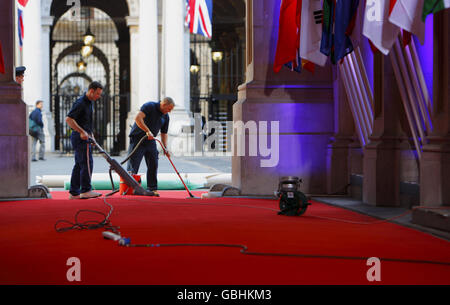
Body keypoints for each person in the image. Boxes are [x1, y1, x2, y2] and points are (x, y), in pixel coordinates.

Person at [127, 97, 175, 193]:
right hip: (138, 139)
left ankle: (152, 188)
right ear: (164, 104)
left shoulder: (165, 117)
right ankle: (129, 188)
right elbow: (138, 118)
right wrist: (147, 131)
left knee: (153, 163)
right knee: (133, 165)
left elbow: (164, 133)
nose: (169, 111)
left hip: (150, 140)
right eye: (169, 109)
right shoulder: (150, 106)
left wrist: (165, 148)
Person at [65, 81, 103, 200]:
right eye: (97, 93)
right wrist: (82, 131)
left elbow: (85, 122)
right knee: (87, 163)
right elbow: (69, 119)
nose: (99, 96)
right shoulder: (81, 103)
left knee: (79, 165)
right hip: (80, 138)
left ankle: (74, 192)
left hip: (85, 136)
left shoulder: (89, 103)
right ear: (91, 91)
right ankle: (86, 190)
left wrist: (90, 134)